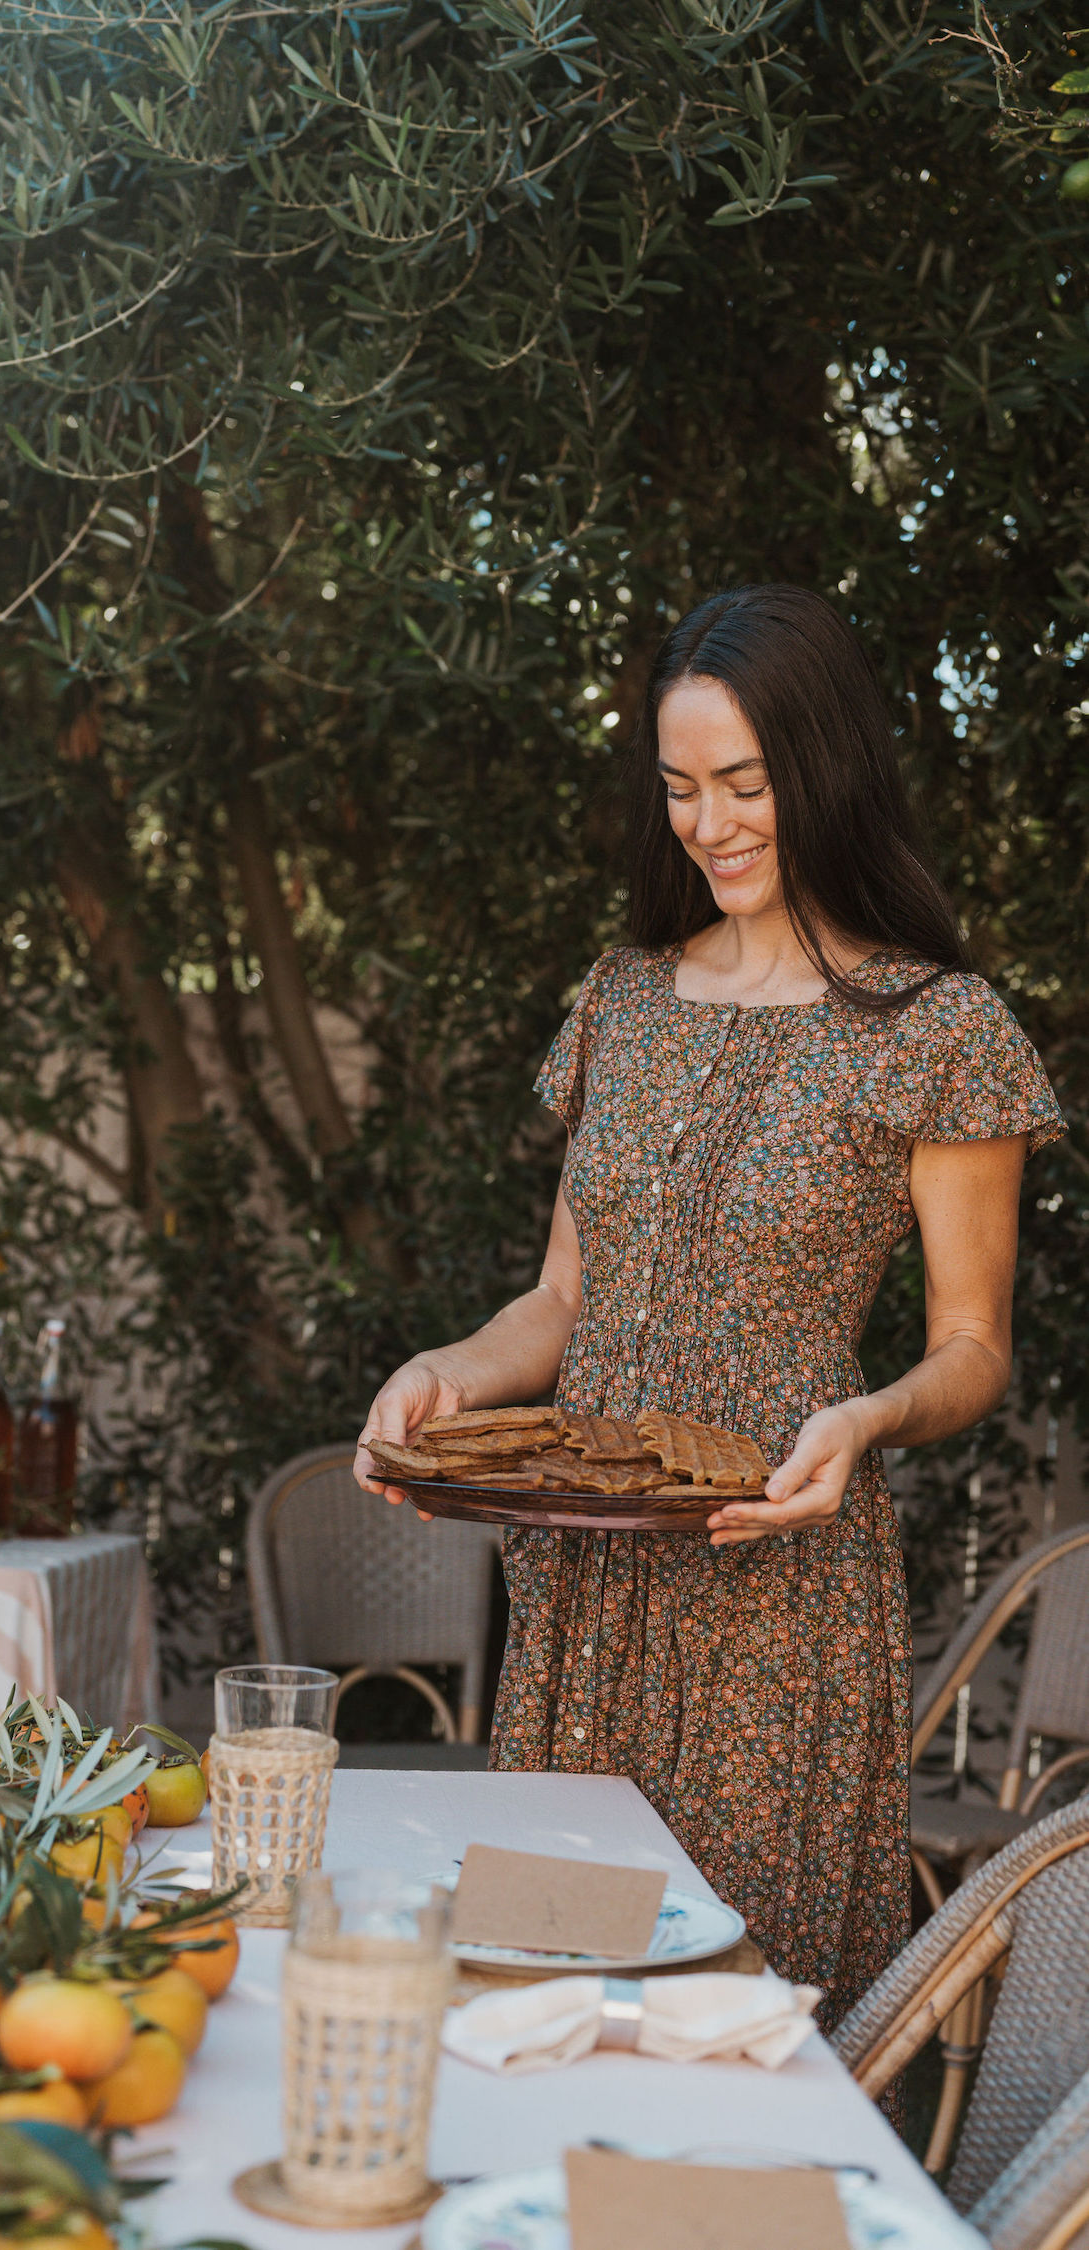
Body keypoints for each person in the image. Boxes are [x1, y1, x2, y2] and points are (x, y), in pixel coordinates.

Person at [354, 584, 1064, 2023]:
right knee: (547, 1984)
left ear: (824, 770)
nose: (711, 821)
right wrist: (450, 1371)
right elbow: (562, 1297)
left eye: (745, 781)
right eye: (679, 786)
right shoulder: (622, 999)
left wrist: (866, 1417)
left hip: (777, 1595)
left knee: (728, 2015)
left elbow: (973, 1346)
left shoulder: (941, 1030)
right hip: (589, 1590)